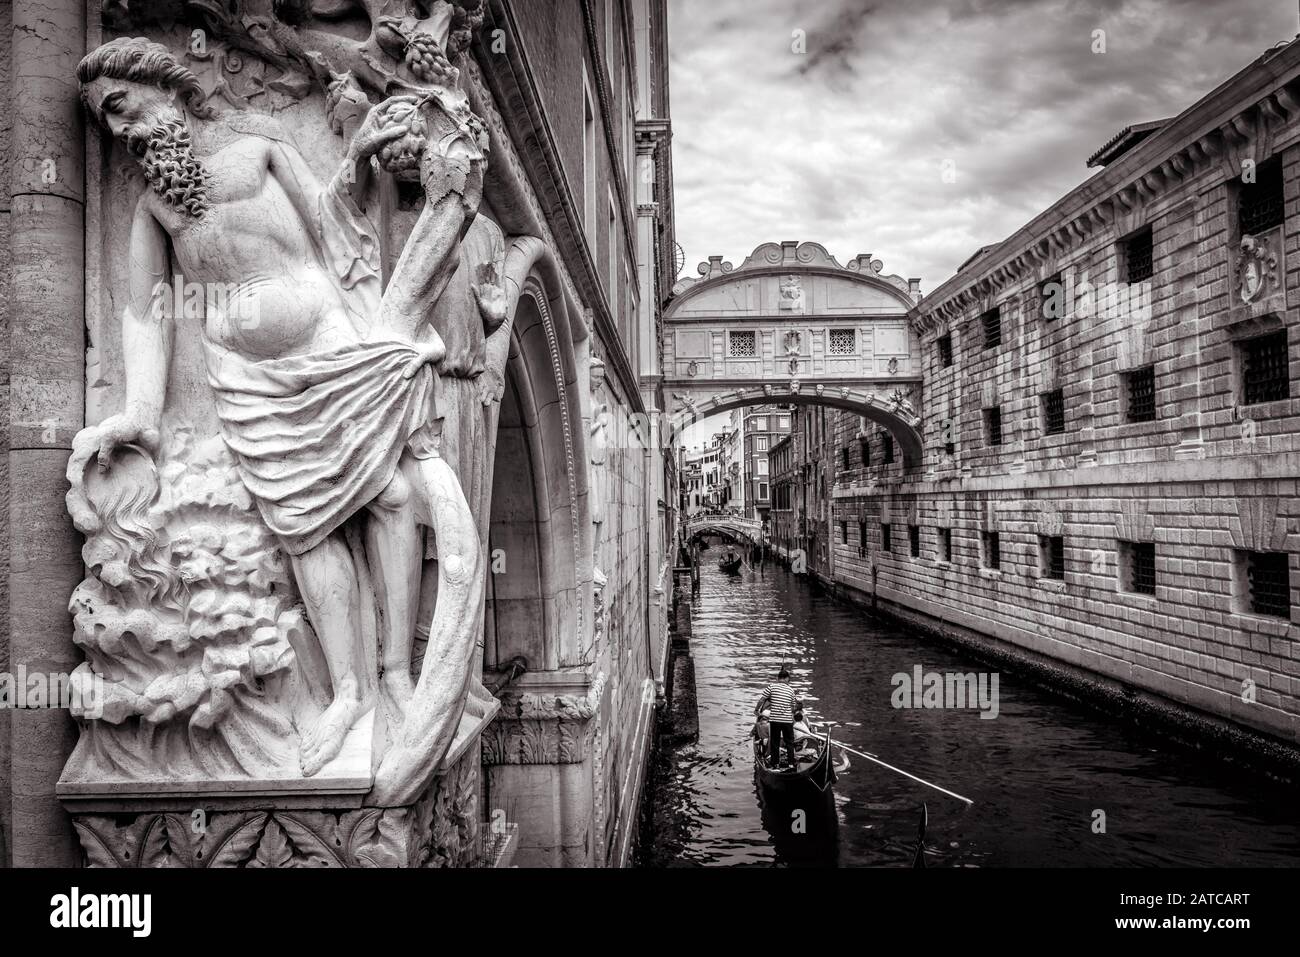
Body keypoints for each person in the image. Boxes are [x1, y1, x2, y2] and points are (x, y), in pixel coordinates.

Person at [755, 668, 802, 768]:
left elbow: (762, 699)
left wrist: (756, 710)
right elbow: (793, 707)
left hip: (775, 720)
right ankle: (790, 764)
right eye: (788, 679)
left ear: (778, 678)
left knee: (775, 742)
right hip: (787, 721)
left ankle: (775, 764)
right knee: (789, 742)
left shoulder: (771, 687)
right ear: (786, 678)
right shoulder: (791, 690)